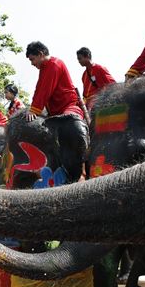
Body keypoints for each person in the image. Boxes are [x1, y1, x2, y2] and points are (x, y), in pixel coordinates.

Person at [25, 41, 89, 182]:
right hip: (55, 113)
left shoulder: (54, 64)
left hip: (69, 106)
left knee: (73, 127)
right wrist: (33, 108)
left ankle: (83, 168)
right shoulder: (44, 69)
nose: (32, 63)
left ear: (41, 54)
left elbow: (44, 90)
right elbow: (38, 89)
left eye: (32, 59)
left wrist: (34, 109)